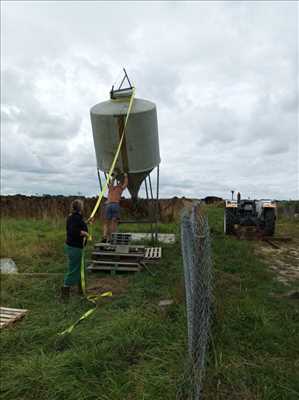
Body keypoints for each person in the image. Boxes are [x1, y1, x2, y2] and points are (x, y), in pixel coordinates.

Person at [61, 199, 89, 300]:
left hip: (74, 246)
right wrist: (84, 233)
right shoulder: (75, 218)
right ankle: (65, 293)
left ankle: (80, 290)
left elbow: (77, 225)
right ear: (80, 207)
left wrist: (86, 223)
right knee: (73, 269)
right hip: (74, 247)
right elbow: (73, 230)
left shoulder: (74, 217)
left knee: (79, 268)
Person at [102, 172, 128, 242]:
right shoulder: (120, 189)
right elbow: (125, 184)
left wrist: (114, 176)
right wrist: (126, 176)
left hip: (108, 205)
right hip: (115, 205)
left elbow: (111, 181)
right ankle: (112, 238)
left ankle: (104, 236)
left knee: (106, 222)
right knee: (114, 223)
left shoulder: (111, 188)